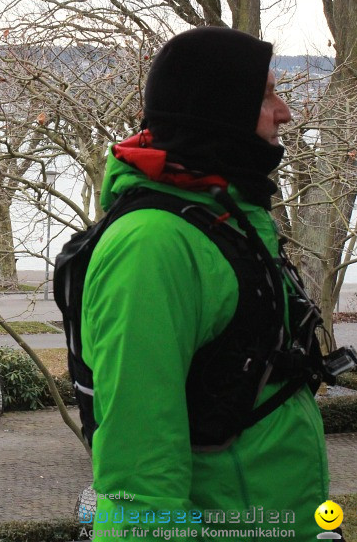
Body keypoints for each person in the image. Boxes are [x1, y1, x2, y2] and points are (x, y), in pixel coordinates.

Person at [82, 27, 328, 539]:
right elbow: (140, 479)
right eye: (266, 96)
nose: (283, 112)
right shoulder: (152, 245)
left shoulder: (228, 219)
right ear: (220, 112)